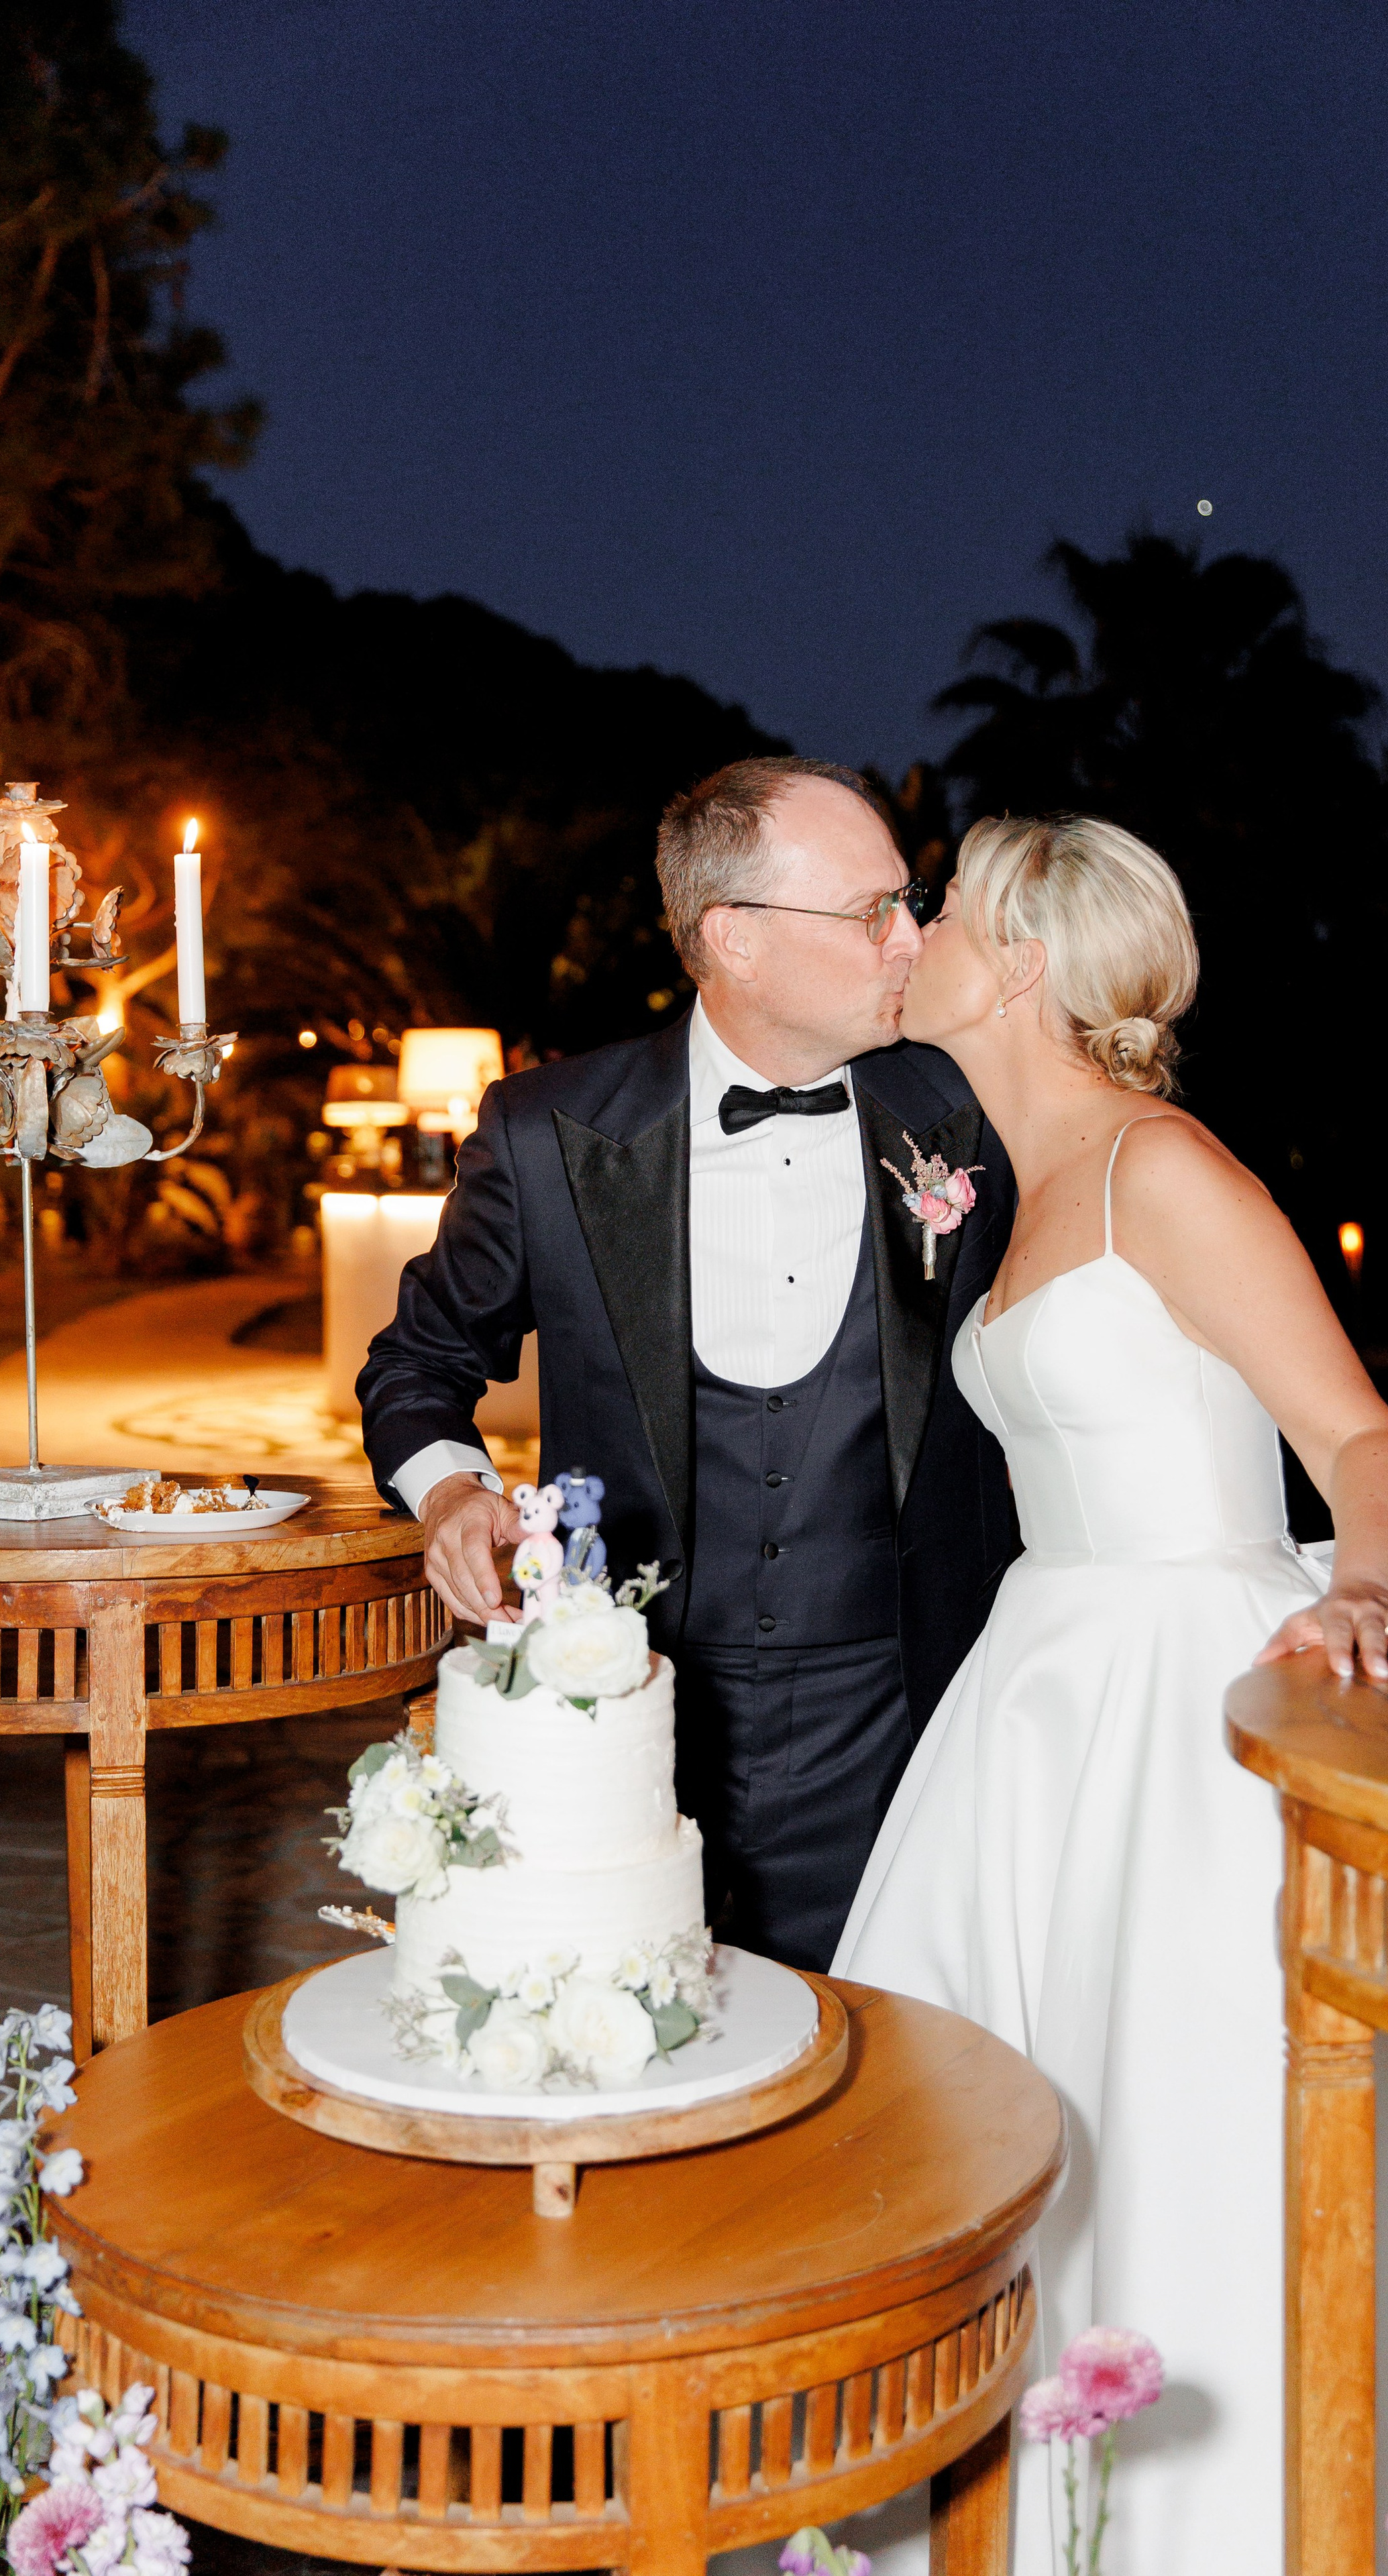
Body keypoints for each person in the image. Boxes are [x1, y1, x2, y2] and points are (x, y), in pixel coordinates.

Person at [832, 814, 1388, 2573]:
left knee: (1198, 2105)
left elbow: (1362, 1438)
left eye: (944, 907)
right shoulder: (1014, 1178)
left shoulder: (1163, 1172)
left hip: (1191, 1690)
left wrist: (1359, 1586)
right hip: (1037, 1692)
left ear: (1022, 965)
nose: (910, 929)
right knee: (1016, 2112)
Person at [357, 757, 1017, 1972]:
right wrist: (450, 1493)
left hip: (905, 1721)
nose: (911, 939)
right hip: (630, 1715)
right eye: (871, 910)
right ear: (735, 938)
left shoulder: (975, 1117)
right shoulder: (548, 1134)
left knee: (885, 2059)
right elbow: (420, 1359)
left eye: (909, 901)